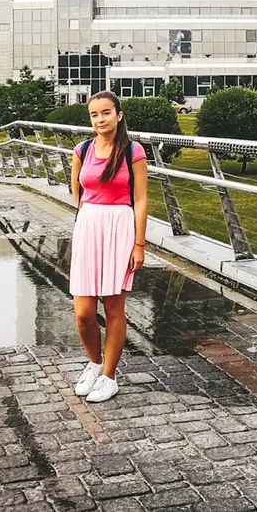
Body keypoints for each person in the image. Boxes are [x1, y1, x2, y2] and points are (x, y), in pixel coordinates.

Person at [69, 91, 148, 404]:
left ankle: (109, 377)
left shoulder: (133, 151)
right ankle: (94, 362)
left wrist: (138, 244)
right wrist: (88, 215)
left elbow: (141, 199)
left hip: (120, 227)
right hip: (89, 226)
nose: (100, 120)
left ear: (119, 115)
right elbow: (76, 187)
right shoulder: (82, 149)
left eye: (106, 113)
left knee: (114, 309)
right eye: (94, 115)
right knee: (84, 313)